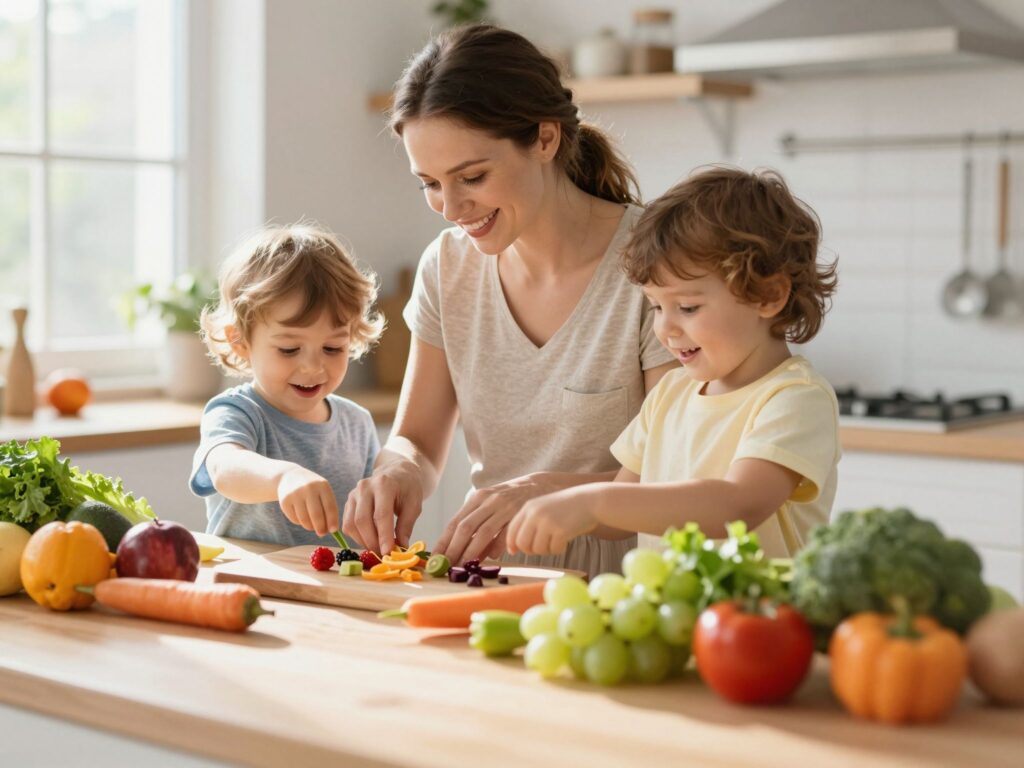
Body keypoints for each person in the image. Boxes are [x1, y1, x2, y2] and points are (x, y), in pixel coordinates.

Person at [343, 24, 677, 576]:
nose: (451, 209)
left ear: (545, 139)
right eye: (429, 184)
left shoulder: (658, 269)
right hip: (490, 577)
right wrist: (398, 470)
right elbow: (417, 439)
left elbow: (670, 476)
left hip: (629, 586)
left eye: (472, 177)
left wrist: (544, 492)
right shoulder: (447, 269)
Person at [506, 166, 841, 560]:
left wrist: (592, 503)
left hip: (760, 602)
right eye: (656, 306)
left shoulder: (795, 399)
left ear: (768, 295)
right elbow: (623, 510)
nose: (665, 329)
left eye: (687, 307)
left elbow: (738, 505)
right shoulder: (671, 392)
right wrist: (546, 507)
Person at [189, 224, 384, 546]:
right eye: (289, 349)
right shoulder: (236, 412)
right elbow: (225, 468)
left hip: (332, 576)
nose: (313, 367)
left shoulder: (357, 423)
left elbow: (369, 513)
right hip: (249, 575)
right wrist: (283, 477)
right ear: (240, 342)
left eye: (333, 348)